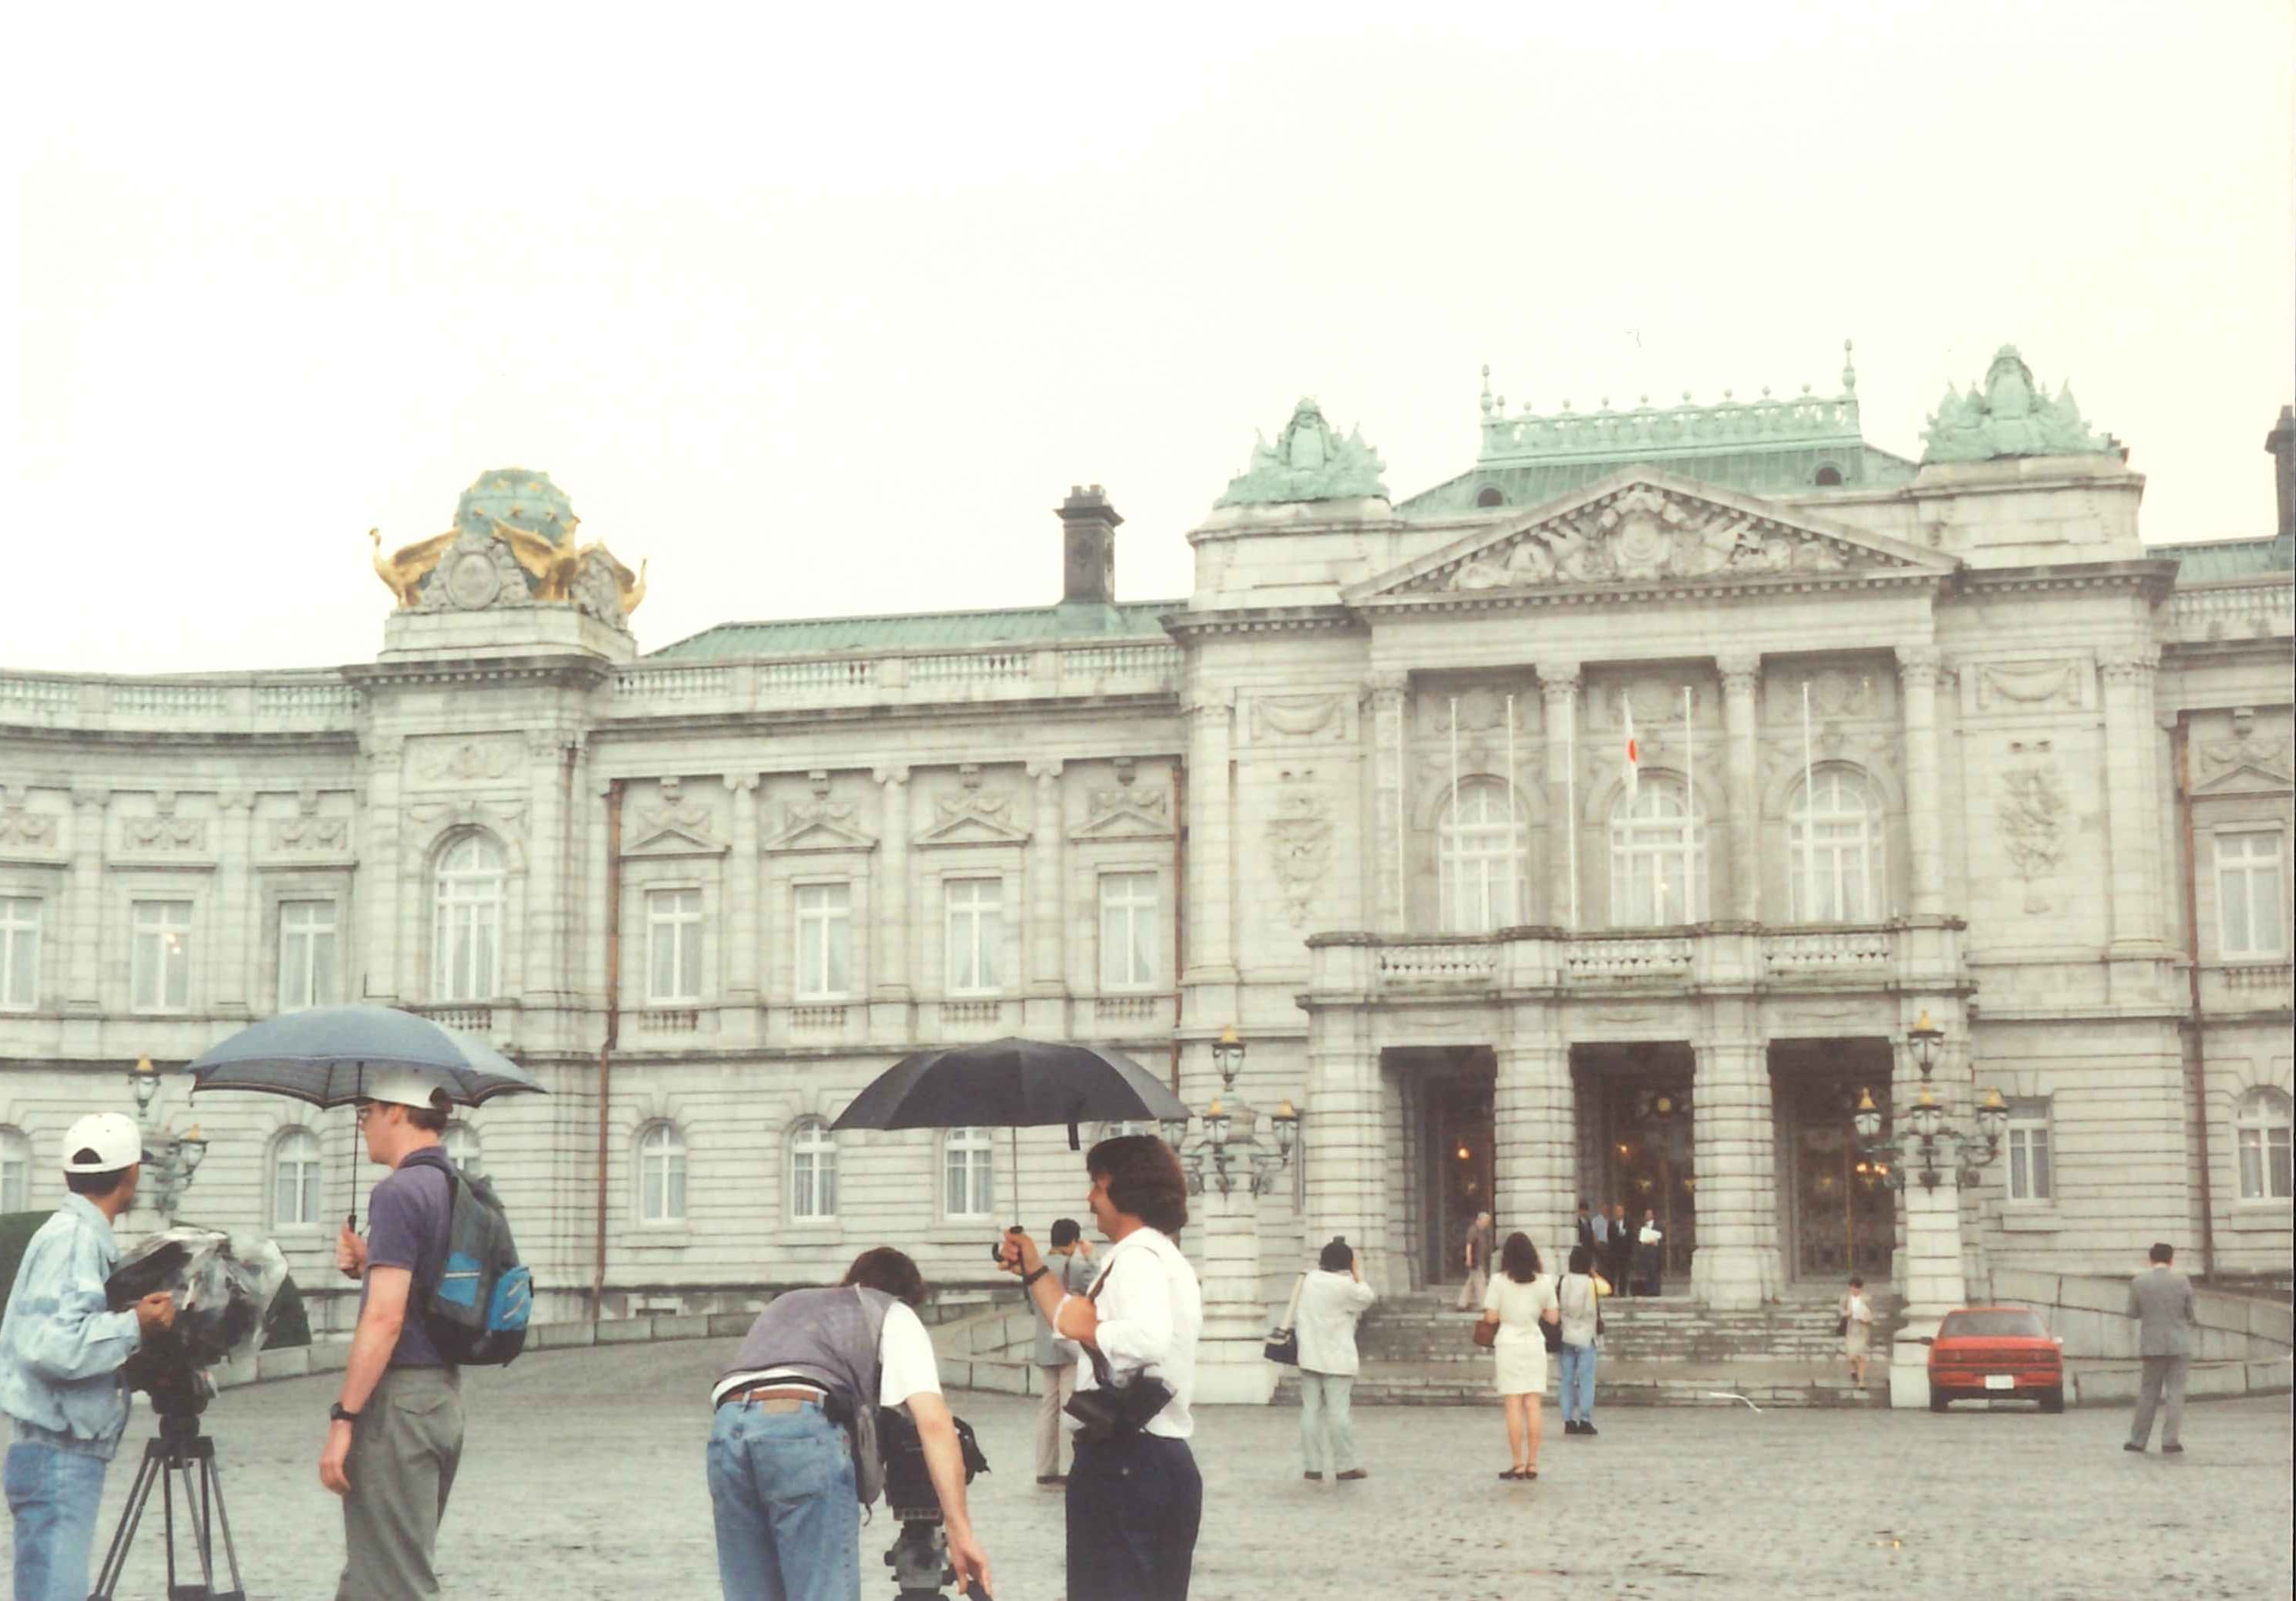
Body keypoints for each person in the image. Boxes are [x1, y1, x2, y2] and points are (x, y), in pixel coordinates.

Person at [709, 1246, 990, 1600]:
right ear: (907, 1295)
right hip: (801, 1427)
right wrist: (960, 1529)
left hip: (727, 1426)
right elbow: (934, 1422)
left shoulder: (789, 1303)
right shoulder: (891, 1311)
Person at [1003, 1135, 1202, 1601]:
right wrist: (1036, 1272)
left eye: (1097, 1185)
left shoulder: (1135, 1258)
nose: (1090, 1198)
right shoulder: (1164, 1256)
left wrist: (1092, 1329)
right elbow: (1089, 1342)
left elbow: (1144, 1340)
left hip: (1125, 1460)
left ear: (1122, 1189)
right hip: (1156, 1458)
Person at [0, 1112, 175, 1601]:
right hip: (60, 1449)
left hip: (56, 1446)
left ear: (66, 1175)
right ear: (132, 1174)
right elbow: (51, 1346)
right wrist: (133, 1325)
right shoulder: (73, 1240)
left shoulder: (70, 1234)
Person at [325, 1068, 468, 1601]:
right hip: (442, 1399)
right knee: (370, 1574)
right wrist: (371, 1259)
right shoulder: (454, 1186)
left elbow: (384, 1320)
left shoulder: (398, 1193)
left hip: (399, 1405)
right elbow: (427, 1289)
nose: (362, 1126)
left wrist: (344, 1418)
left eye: (367, 1113)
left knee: (397, 1583)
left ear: (398, 1112)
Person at [1477, 1232, 1558, 1482]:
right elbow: (1553, 1318)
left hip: (1508, 1343)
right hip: (1534, 1342)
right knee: (1533, 1404)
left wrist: (1507, 1312)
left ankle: (1517, 1463)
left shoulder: (1499, 1281)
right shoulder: (1544, 1281)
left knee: (1513, 1405)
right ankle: (1533, 1463)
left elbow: (1490, 1317)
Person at [1294, 1236, 1375, 1483]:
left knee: (1310, 1410)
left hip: (1309, 1354)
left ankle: (1312, 1465)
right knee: (1338, 1413)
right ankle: (1344, 1464)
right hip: (1338, 1357)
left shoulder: (1309, 1280)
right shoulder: (1346, 1286)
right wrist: (1357, 1272)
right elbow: (1368, 1297)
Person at [1032, 1217, 1096, 1487]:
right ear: (1073, 1241)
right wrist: (1091, 1256)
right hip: (1069, 1341)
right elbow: (1100, 1283)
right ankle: (1072, 1467)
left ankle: (1045, 1467)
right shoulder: (1077, 1266)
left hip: (1045, 1342)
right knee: (1071, 1406)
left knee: (1048, 1407)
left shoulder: (1037, 1267)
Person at [2124, 1242, 2196, 1455]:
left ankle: (2138, 1440)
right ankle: (2170, 1440)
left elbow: (2132, 1312)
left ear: (2151, 1259)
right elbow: (2190, 1312)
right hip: (2179, 1344)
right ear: (2171, 1260)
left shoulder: (2139, 1282)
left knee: (2148, 1394)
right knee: (2176, 1394)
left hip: (2152, 1344)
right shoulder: (2182, 1281)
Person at [1556, 1245, 1606, 1437]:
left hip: (1566, 1333)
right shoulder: (1591, 1283)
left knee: (1567, 1379)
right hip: (1586, 1334)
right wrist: (1594, 1273)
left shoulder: (1563, 1281)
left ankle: (1568, 1420)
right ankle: (1585, 1419)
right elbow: (1606, 1289)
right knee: (1586, 1379)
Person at [1841, 1275, 1874, 1387]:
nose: (1854, 1290)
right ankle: (1854, 1369)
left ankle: (1861, 1381)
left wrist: (1866, 1318)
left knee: (1862, 1356)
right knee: (1851, 1356)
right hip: (1851, 1329)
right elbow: (1841, 1311)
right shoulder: (1845, 1298)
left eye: (1856, 1288)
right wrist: (1847, 1313)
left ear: (1860, 1288)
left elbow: (1871, 1313)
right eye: (1852, 1287)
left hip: (1862, 1329)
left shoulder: (1867, 1298)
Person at [1605, 1203, 1635, 1297]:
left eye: (1620, 1211)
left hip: (1625, 1253)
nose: (1619, 1213)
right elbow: (1609, 1237)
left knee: (1623, 1273)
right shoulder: (1611, 1224)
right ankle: (1612, 1291)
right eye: (1617, 1211)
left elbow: (1631, 1237)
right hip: (1614, 1253)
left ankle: (1622, 1292)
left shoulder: (1628, 1223)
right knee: (1612, 1274)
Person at [1635, 1210, 1665, 1297]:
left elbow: (1662, 1238)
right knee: (1648, 1272)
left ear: (1652, 1215)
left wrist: (1655, 1241)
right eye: (1646, 1214)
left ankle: (1656, 1291)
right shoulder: (1643, 1226)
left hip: (1655, 1253)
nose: (1648, 1216)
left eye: (1649, 1214)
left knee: (1655, 1272)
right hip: (1646, 1253)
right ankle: (1649, 1290)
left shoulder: (1658, 1226)